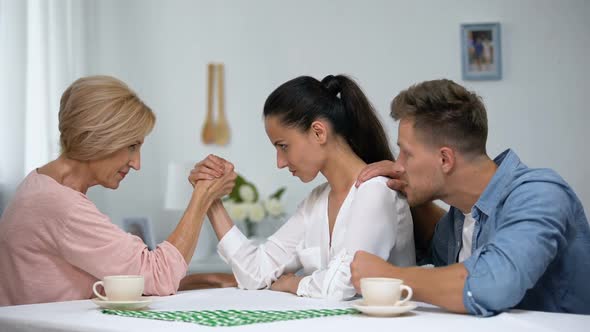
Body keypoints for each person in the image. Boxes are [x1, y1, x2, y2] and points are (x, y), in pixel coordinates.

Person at [351, 79, 590, 316]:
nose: (398, 165)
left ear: (445, 159)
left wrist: (389, 277)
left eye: (406, 154)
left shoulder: (541, 195)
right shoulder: (456, 221)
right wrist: (401, 188)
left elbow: (491, 286)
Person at [0, 75, 237, 306]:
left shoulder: (39, 184)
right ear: (99, 137)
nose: (137, 163)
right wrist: (202, 197)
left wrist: (199, 280)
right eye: (132, 146)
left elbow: (120, 283)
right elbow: (159, 276)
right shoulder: (61, 205)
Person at [193, 75, 415, 300]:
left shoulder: (376, 190)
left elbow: (343, 284)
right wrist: (209, 198)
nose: (279, 162)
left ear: (319, 132)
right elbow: (255, 273)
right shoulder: (315, 202)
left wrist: (294, 283)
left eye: (283, 146)